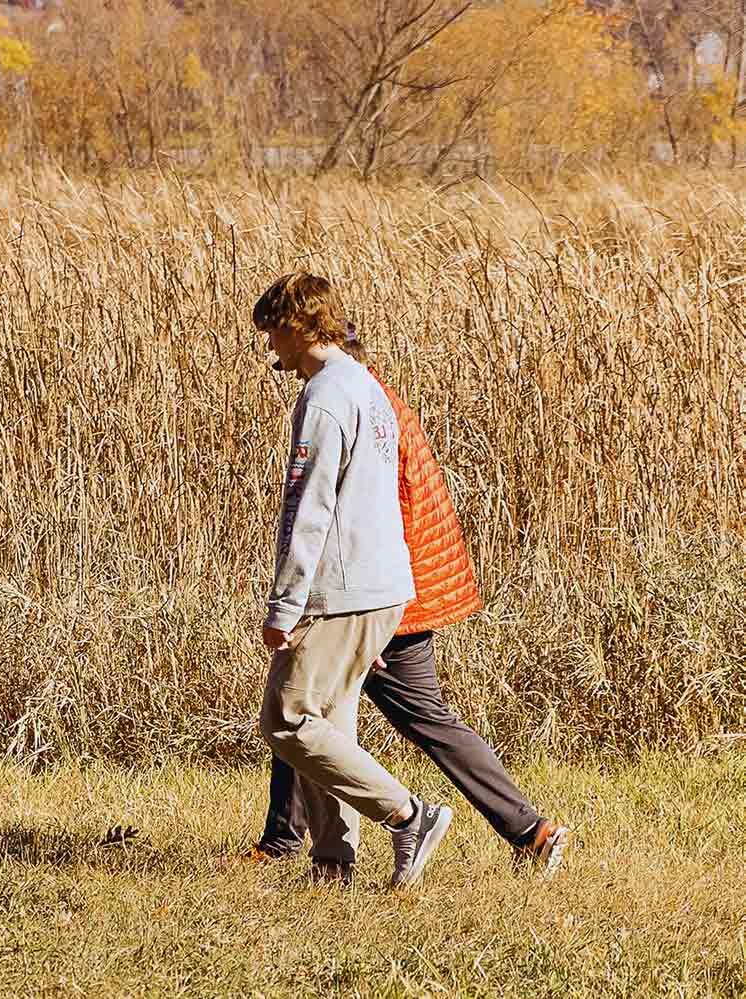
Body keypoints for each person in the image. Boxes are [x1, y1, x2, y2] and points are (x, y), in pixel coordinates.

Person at [241, 333, 572, 874]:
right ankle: (298, 844)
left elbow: (390, 513)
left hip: (388, 592)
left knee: (367, 715)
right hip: (389, 589)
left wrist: (377, 619)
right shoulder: (376, 401)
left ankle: (528, 830)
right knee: (316, 707)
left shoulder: (358, 405)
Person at [252, 272, 451, 889]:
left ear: (297, 325)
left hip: (339, 588)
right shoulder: (367, 389)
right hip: (385, 583)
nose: (271, 351)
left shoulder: (325, 398)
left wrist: (285, 603)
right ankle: (333, 863)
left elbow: (307, 509)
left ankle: (407, 814)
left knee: (286, 721)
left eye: (273, 335)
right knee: (329, 719)